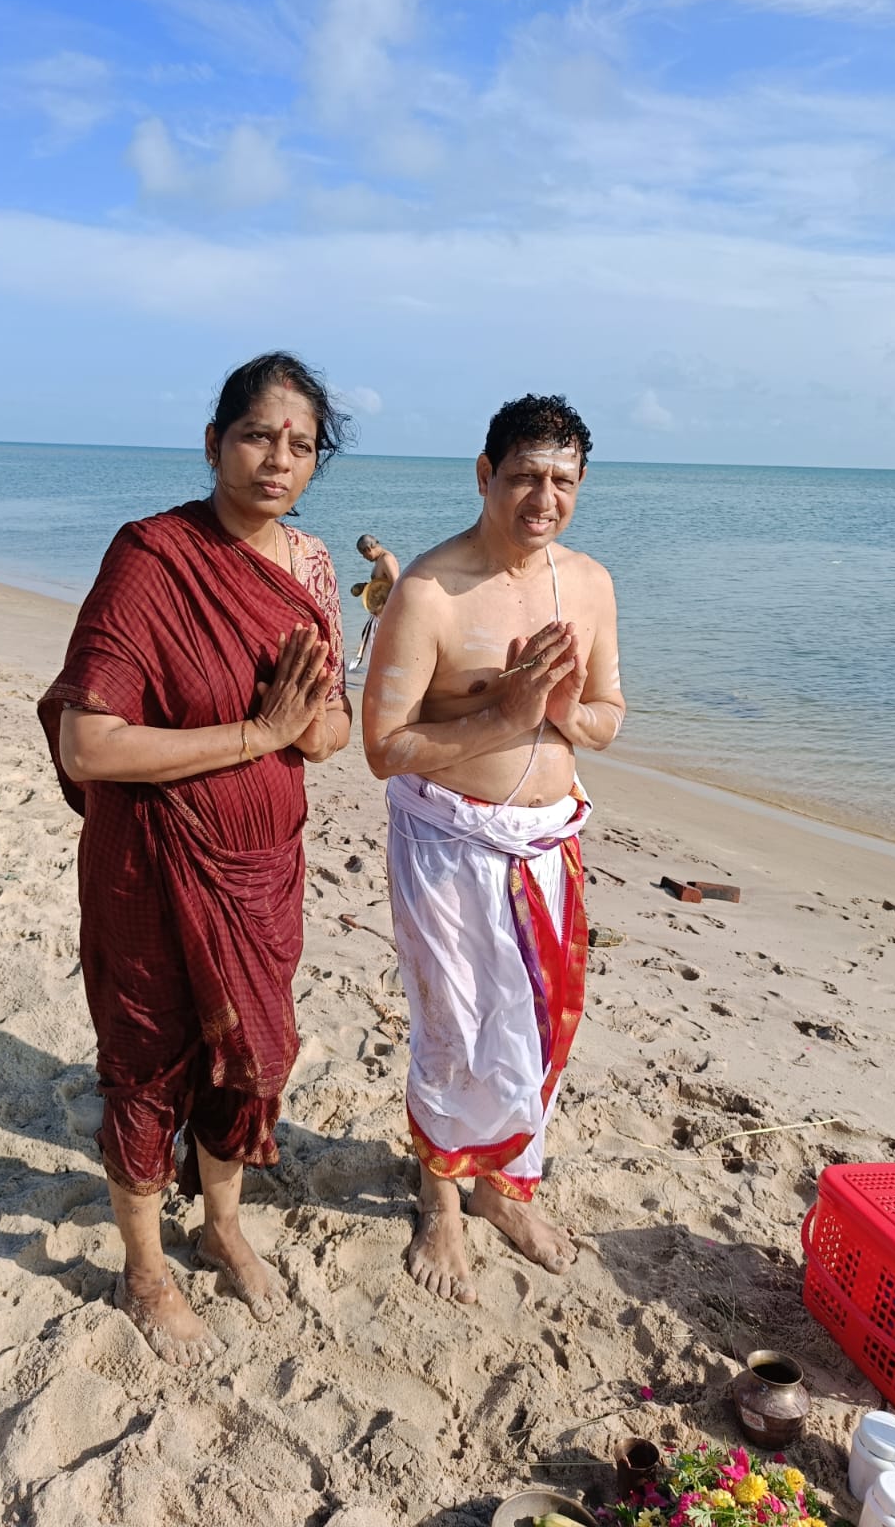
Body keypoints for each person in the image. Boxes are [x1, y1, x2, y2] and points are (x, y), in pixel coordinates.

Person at [38, 352, 353, 1365]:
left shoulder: (309, 568)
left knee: (251, 1059)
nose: (278, 459)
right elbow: (90, 745)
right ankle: (144, 1269)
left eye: (300, 444)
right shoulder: (152, 556)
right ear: (215, 442)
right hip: (151, 865)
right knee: (147, 1063)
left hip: (264, 868)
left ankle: (220, 1224)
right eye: (257, 435)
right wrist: (258, 733)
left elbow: (332, 730)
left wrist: (305, 723)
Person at [362, 393, 626, 1304]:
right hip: (449, 845)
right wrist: (503, 715)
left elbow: (609, 717)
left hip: (549, 846)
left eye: (562, 481)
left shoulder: (589, 584)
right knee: (456, 1029)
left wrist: (562, 714)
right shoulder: (429, 591)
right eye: (523, 476)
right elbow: (384, 747)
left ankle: (502, 1190)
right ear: (485, 475)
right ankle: (440, 1199)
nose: (543, 499)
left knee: (542, 1029)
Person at [347, 534, 400, 673]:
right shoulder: (380, 560)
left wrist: (387, 610)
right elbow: (382, 584)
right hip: (379, 612)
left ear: (368, 549)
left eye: (363, 554)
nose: (363, 558)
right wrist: (366, 587)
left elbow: (396, 585)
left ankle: (384, 673)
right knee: (374, 644)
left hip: (385, 611)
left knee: (381, 645)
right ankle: (379, 672)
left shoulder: (386, 559)